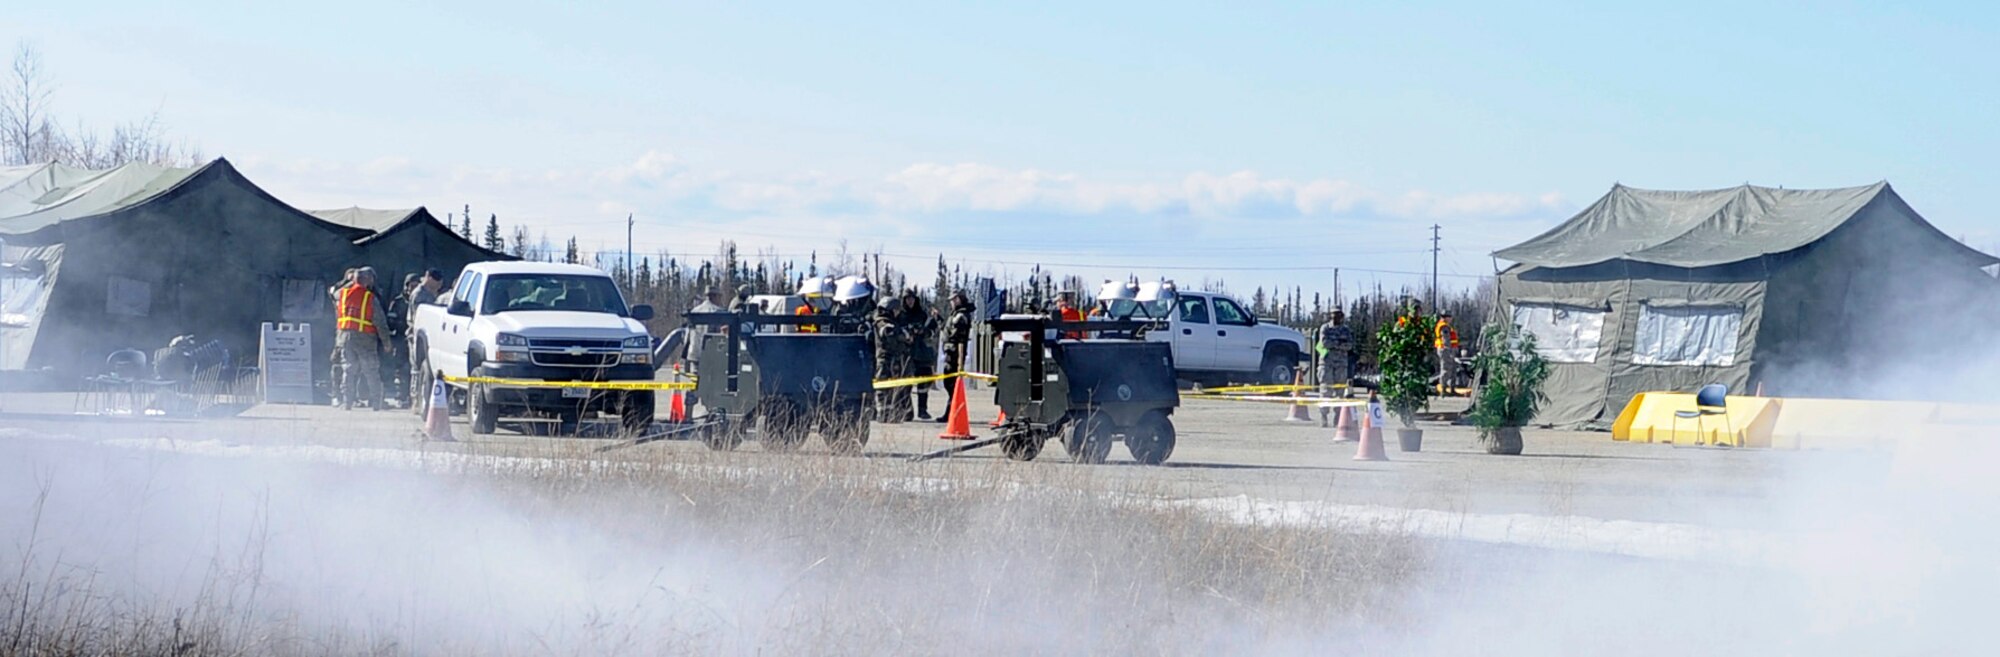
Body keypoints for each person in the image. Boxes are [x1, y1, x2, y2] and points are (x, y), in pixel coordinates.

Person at [334, 267, 390, 411]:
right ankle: (377, 403)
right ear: (368, 280)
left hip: (345, 337)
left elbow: (333, 292)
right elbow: (380, 322)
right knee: (371, 370)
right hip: (365, 338)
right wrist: (386, 342)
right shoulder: (369, 298)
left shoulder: (342, 294)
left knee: (349, 369)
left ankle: (347, 402)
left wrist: (350, 282)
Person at [873, 295, 915, 423]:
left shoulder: (893, 322)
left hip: (895, 359)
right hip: (885, 359)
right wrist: (903, 335)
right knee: (883, 387)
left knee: (895, 388)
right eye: (896, 310)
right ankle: (883, 414)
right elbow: (889, 333)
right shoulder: (881, 322)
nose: (897, 313)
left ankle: (896, 414)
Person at [899, 288, 938, 421]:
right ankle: (907, 411)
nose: (910, 301)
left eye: (912, 298)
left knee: (924, 383)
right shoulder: (900, 315)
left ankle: (923, 410)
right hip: (906, 353)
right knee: (905, 384)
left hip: (921, 353)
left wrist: (923, 331)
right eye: (907, 299)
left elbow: (932, 332)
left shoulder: (922, 315)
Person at [1316, 310, 1356, 427]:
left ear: (1341, 316)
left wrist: (1334, 343)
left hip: (1341, 365)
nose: (1335, 317)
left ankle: (1338, 417)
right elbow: (1324, 343)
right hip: (1326, 364)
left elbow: (1349, 345)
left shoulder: (1346, 330)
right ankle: (1323, 416)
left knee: (1340, 392)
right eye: (1333, 314)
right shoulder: (1325, 328)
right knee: (1325, 391)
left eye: (1338, 314)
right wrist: (1339, 343)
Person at [941, 289, 975, 420]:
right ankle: (951, 412)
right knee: (949, 383)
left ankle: (952, 413)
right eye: (951, 300)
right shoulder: (956, 314)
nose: (952, 302)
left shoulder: (961, 316)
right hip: (952, 351)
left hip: (955, 353)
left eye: (955, 300)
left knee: (951, 384)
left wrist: (950, 347)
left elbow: (956, 336)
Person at [1435, 313, 1461, 396]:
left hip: (1450, 350)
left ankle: (1452, 388)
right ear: (1445, 318)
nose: (1451, 319)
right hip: (1446, 350)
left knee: (1453, 369)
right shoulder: (1444, 327)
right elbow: (1446, 340)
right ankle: (1443, 388)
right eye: (1449, 317)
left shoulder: (1447, 326)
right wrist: (1449, 350)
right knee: (1446, 369)